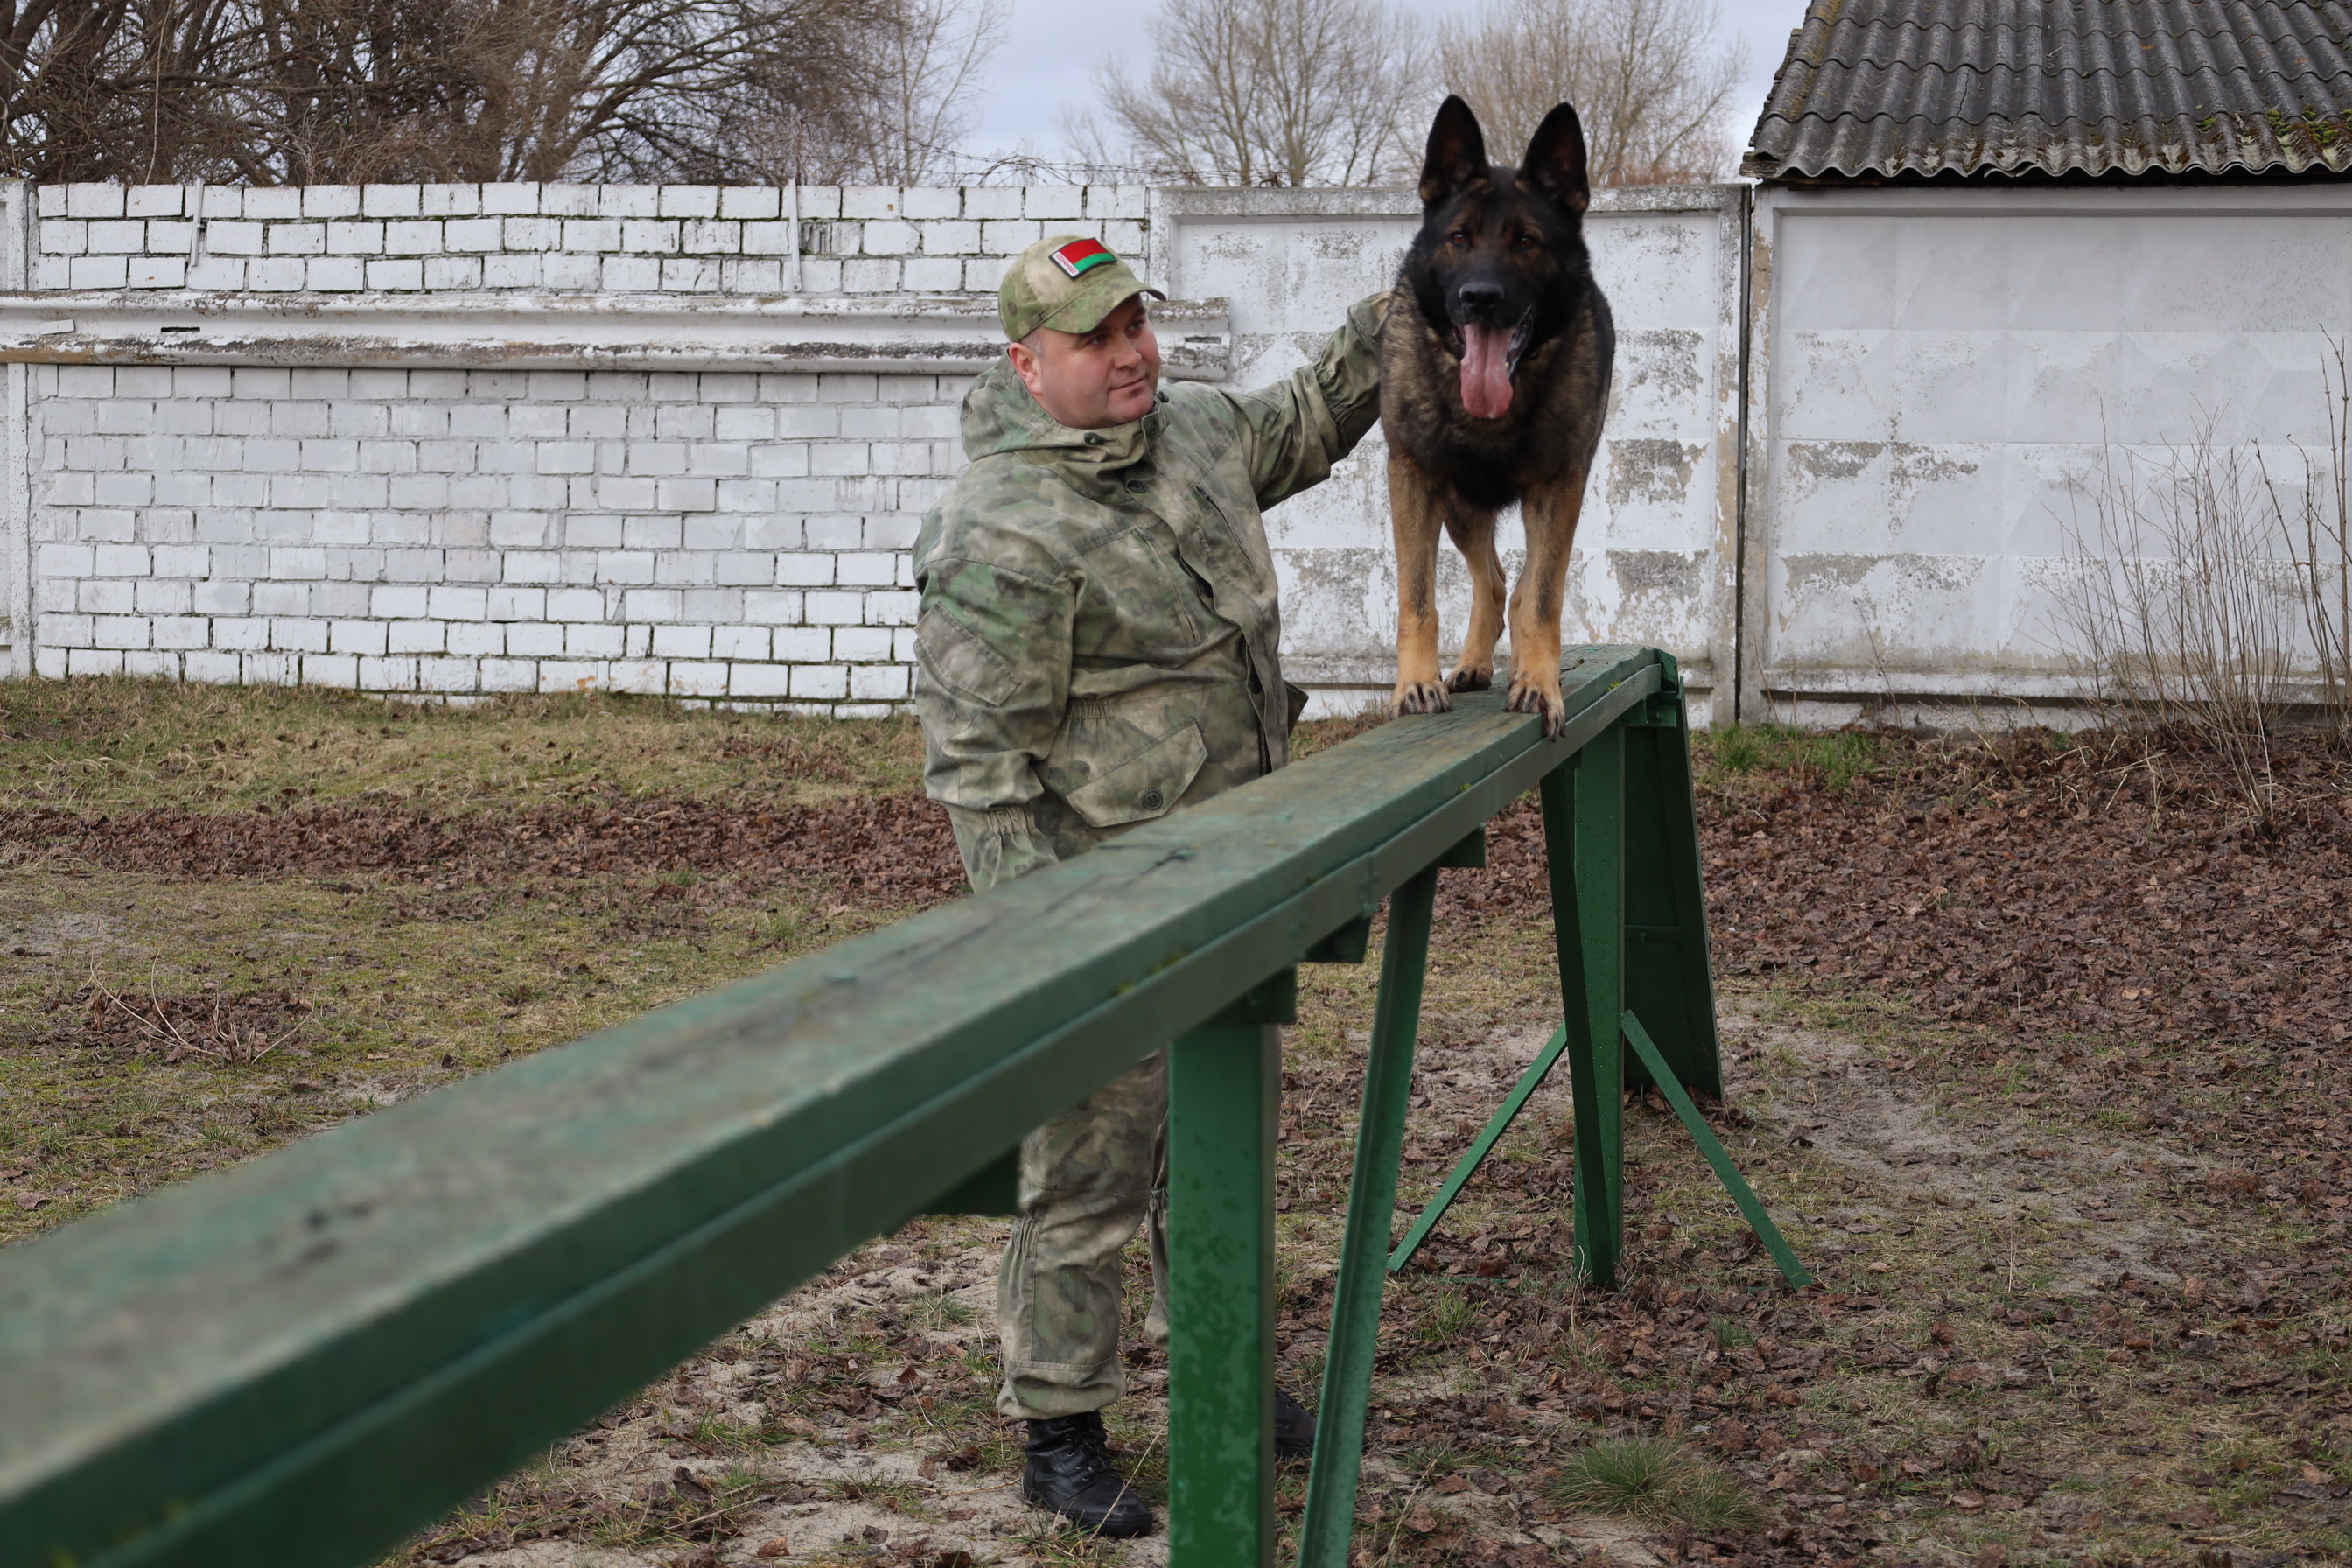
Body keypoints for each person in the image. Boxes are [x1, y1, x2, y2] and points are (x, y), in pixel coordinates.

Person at [913, 233, 1386, 1537]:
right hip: (1097, 905)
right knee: (1088, 1170)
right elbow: (979, 771)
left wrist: (1417, 291)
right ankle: (1059, 1429)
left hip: (1232, 882)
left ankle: (1223, 1368)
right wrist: (1043, 948)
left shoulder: (1193, 437)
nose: (1133, 354)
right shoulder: (996, 531)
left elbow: (1313, 413)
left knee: (1215, 1146)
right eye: (1097, 337)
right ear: (1027, 364)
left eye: (1138, 325)